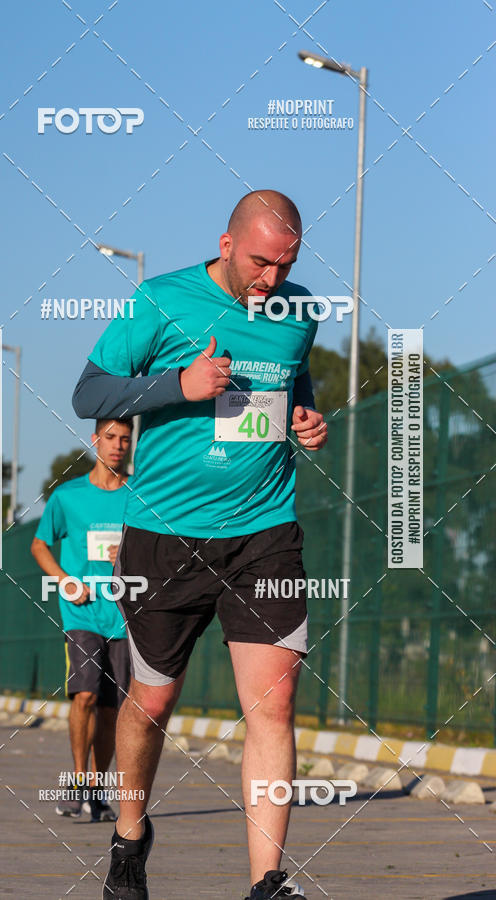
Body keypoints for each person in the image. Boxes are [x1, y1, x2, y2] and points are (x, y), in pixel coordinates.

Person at [72, 190, 328, 899]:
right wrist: (176, 385)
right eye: (260, 263)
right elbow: (89, 393)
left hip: (264, 531)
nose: (271, 280)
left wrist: (306, 417)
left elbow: (292, 380)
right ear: (225, 244)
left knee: (273, 704)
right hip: (165, 534)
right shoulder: (161, 300)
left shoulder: (299, 312)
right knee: (152, 703)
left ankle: (267, 882)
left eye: (286, 265)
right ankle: (129, 836)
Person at [31, 418, 132, 822]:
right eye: (111, 437)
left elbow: (162, 547)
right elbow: (39, 545)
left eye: (125, 439)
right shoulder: (67, 496)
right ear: (95, 440)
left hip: (123, 616)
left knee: (110, 710)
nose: (118, 445)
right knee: (85, 695)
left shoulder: (140, 496)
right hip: (81, 613)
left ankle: (96, 789)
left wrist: (130, 554)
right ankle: (76, 782)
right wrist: (65, 580)